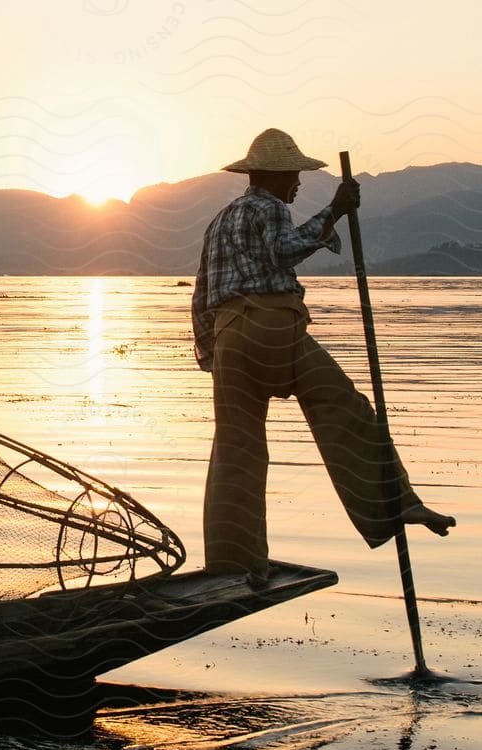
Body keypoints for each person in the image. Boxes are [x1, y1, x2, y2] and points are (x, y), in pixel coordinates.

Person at [192, 129, 454, 582]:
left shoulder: (219, 219)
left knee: (237, 449)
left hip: (230, 337)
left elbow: (201, 293)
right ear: (273, 176)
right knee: (343, 404)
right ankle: (396, 505)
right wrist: (334, 210)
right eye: (293, 175)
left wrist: (211, 354)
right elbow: (284, 252)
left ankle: (236, 562)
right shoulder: (270, 207)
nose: (296, 184)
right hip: (272, 327)